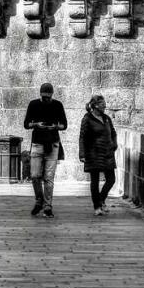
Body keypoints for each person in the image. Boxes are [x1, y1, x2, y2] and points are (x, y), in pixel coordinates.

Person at [23, 82, 68, 218]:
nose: (46, 99)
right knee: (35, 175)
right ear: (40, 95)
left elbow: (64, 125)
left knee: (49, 178)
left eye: (48, 97)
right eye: (44, 97)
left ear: (52, 95)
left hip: (52, 144)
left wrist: (54, 127)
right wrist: (36, 124)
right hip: (37, 144)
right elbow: (26, 124)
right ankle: (39, 200)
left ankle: (48, 206)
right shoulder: (33, 104)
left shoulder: (58, 105)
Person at [79, 95, 118, 216]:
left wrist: (114, 144)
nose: (105, 106)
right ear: (95, 105)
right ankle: (97, 207)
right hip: (93, 153)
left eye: (105, 105)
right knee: (94, 181)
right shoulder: (87, 119)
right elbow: (82, 137)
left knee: (111, 180)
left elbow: (113, 132)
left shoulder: (106, 118)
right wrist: (82, 154)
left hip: (107, 153)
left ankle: (101, 200)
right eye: (102, 105)